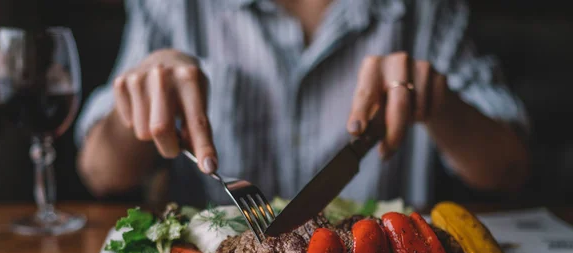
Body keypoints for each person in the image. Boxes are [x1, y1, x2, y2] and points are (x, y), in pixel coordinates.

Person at [76, 0, 530, 208]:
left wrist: (441, 105)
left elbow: (509, 170)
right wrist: (133, 108)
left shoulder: (428, 10)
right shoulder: (173, 7)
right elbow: (100, 173)